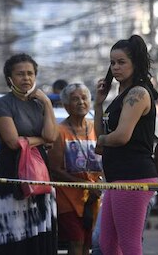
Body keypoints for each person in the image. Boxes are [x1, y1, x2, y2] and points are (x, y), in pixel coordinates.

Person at [93, 34, 158, 255]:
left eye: (121, 62)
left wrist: (102, 140)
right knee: (107, 244)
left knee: (129, 244)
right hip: (116, 177)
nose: (115, 68)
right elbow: (100, 138)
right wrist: (99, 104)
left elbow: (121, 136)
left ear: (135, 64)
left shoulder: (138, 93)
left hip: (134, 176)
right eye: (112, 63)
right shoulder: (120, 96)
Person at [0, 53, 59, 254]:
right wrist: (41, 140)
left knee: (40, 231)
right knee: (14, 233)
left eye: (30, 73)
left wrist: (47, 103)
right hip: (11, 170)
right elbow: (13, 142)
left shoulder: (40, 103)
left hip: (40, 172)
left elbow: (52, 135)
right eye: (20, 74)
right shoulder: (2, 103)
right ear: (9, 78)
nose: (26, 78)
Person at [48, 83, 102, 255]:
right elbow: (55, 169)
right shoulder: (59, 131)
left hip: (94, 196)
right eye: (75, 99)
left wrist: (98, 184)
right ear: (66, 106)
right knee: (76, 239)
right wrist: (84, 184)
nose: (81, 102)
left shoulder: (96, 128)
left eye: (84, 98)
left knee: (88, 241)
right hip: (68, 197)